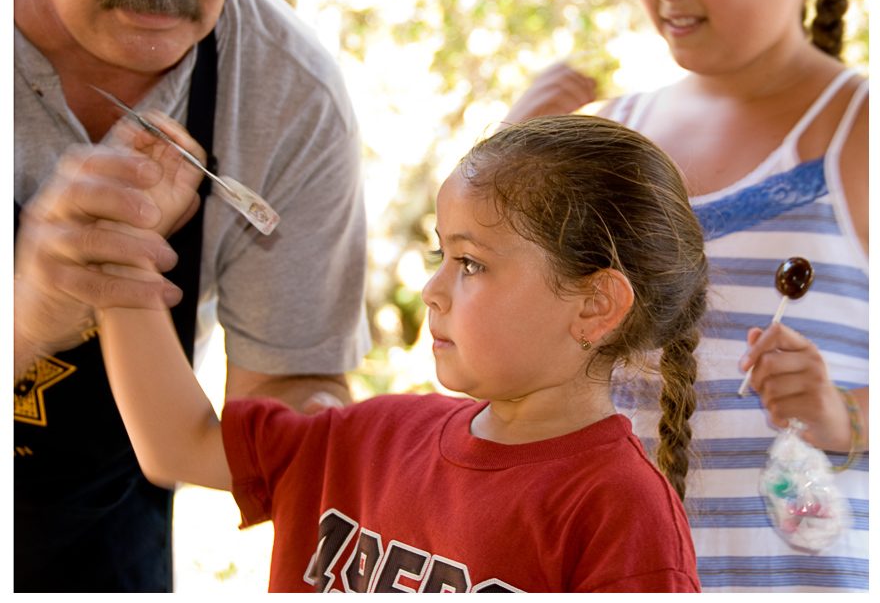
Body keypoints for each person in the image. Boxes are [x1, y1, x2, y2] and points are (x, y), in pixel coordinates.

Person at [95, 114, 708, 592]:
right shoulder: (370, 440)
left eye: (471, 263)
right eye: (443, 255)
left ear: (595, 304)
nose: (432, 291)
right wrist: (119, 242)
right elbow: (176, 443)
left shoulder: (620, 514)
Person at [503, 0, 868, 592]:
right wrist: (502, 182)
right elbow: (499, 351)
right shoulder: (610, 131)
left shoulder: (855, 132)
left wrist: (841, 416)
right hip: (602, 570)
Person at [14, 0, 370, 592]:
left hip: (100, 542)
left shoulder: (291, 95)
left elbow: (279, 420)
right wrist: (25, 319)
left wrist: (337, 442)